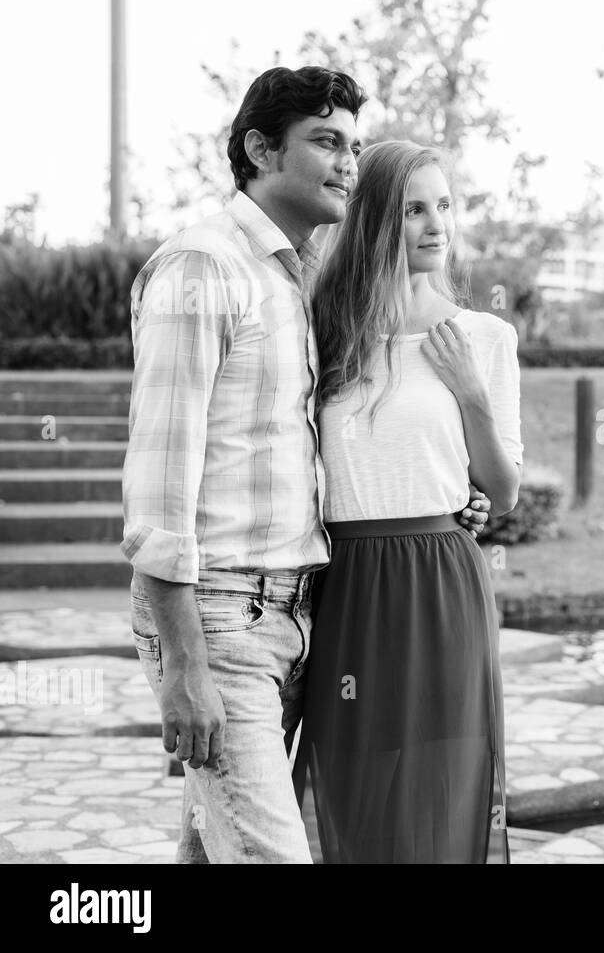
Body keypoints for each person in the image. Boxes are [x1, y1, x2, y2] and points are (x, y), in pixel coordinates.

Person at [121, 66, 491, 864]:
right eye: (326, 142)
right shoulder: (203, 270)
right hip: (221, 618)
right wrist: (185, 663)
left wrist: (446, 497)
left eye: (355, 145)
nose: (349, 163)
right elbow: (156, 488)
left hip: (299, 615)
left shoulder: (293, 281)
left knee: (211, 845)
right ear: (259, 149)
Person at [292, 140, 523, 863]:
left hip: (441, 579)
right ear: (375, 221)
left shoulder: (483, 336)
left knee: (440, 781)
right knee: (351, 776)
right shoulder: (325, 329)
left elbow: (503, 492)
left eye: (444, 206)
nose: (436, 225)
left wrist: (472, 397)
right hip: (348, 581)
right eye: (414, 209)